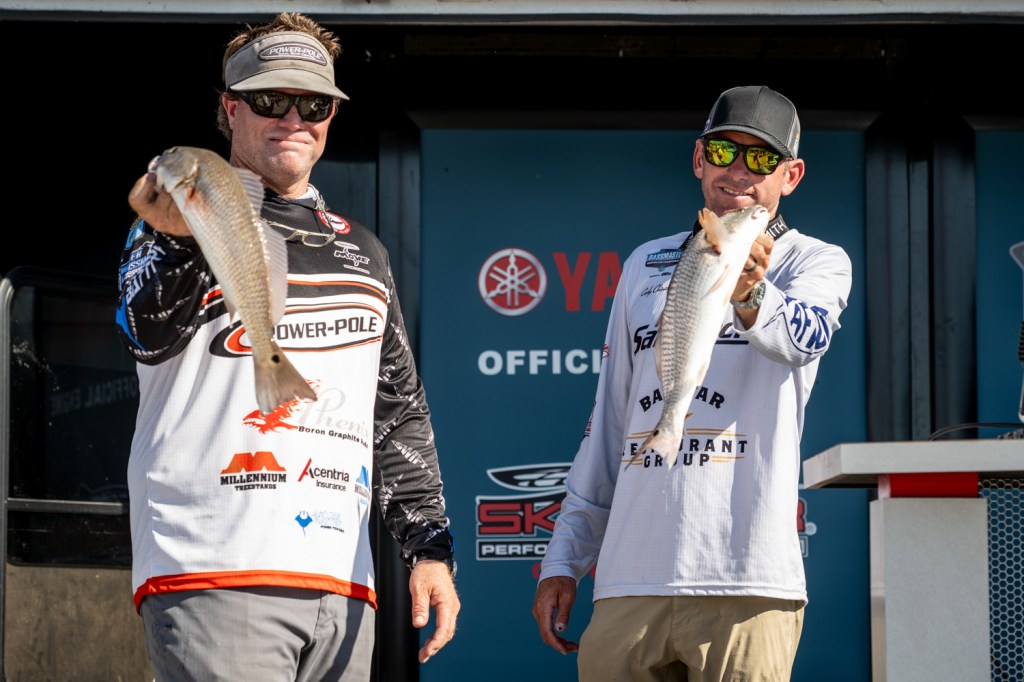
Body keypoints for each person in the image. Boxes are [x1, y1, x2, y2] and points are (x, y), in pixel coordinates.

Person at [115, 12, 459, 681]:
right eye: (272, 100)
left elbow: (396, 412)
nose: (294, 119)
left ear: (332, 115)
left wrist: (429, 549)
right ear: (231, 109)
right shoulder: (177, 215)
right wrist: (174, 239)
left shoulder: (365, 250)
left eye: (315, 104)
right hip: (212, 566)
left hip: (343, 582)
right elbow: (143, 331)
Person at [532, 85, 853, 681]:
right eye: (725, 151)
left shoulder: (814, 260)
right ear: (699, 158)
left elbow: (802, 341)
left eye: (762, 158)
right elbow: (609, 423)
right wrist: (563, 558)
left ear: (791, 175)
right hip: (630, 578)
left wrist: (751, 292)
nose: (739, 170)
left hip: (747, 580)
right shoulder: (645, 263)